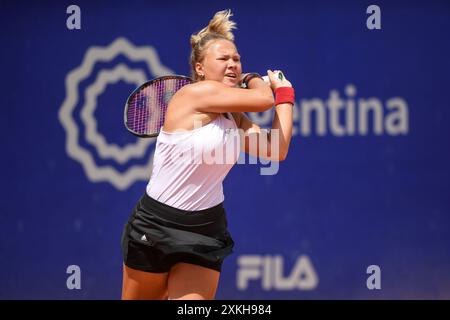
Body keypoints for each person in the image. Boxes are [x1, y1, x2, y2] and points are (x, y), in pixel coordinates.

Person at [121, 9, 295, 300]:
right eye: (223, 59)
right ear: (200, 68)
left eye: (237, 60)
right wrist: (256, 79)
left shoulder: (233, 117)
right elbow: (264, 99)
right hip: (155, 226)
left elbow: (276, 148)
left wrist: (286, 96)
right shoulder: (192, 95)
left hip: (205, 229)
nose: (233, 65)